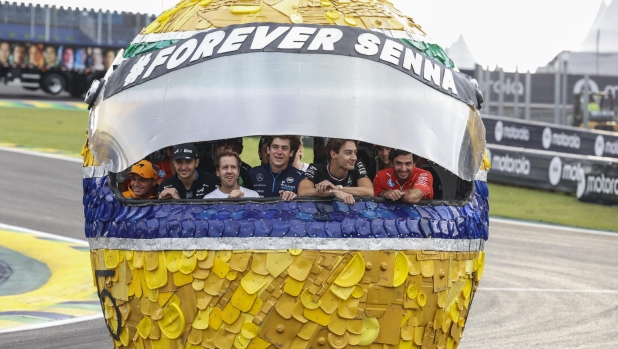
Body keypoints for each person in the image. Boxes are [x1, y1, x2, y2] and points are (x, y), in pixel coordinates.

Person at [298, 138, 373, 204]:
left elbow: (369, 191)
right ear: (333, 154)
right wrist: (333, 192)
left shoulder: (357, 165)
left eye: (355, 152)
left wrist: (338, 188)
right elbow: (302, 191)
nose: (354, 158)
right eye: (348, 153)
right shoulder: (316, 168)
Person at [248, 135, 303, 201]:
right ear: (268, 150)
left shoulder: (301, 177)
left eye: (284, 148)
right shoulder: (252, 173)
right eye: (275, 147)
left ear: (291, 152)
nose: (279, 152)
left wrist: (296, 197)